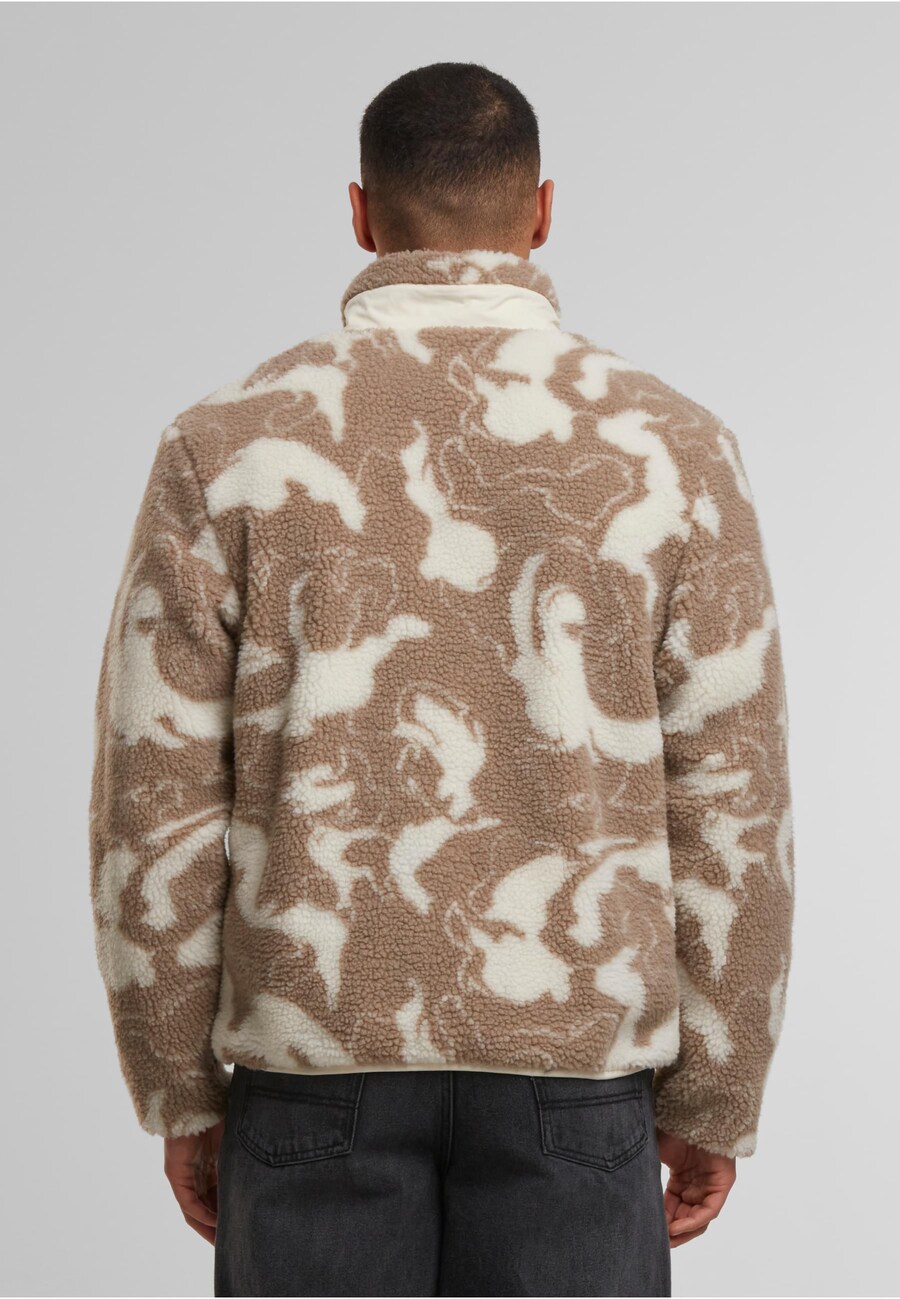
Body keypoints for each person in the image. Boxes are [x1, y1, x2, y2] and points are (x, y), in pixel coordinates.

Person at [89, 61, 794, 1299]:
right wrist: (718, 1094)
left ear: (362, 215)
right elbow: (734, 795)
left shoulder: (226, 444)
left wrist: (178, 1089)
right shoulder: (678, 451)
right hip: (578, 1068)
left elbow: (154, 792)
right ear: (543, 211)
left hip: (312, 1065)